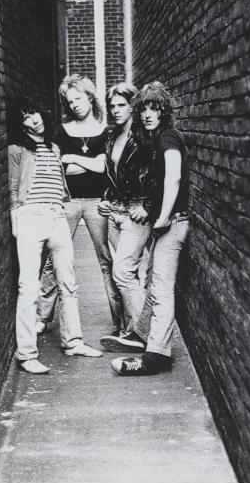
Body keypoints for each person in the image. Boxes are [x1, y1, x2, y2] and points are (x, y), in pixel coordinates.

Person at [7, 95, 102, 374]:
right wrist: (16, 217)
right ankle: (26, 354)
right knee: (29, 286)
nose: (33, 119)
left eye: (35, 112)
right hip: (30, 216)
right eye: (26, 116)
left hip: (57, 214)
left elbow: (62, 180)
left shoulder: (54, 147)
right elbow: (13, 187)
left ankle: (73, 342)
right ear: (20, 122)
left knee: (68, 283)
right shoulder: (17, 149)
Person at [111, 82, 190, 376]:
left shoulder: (168, 138)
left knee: (161, 288)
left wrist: (163, 216)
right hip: (168, 222)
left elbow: (173, 178)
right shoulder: (157, 139)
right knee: (152, 285)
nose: (147, 114)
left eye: (153, 108)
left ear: (164, 110)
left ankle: (156, 356)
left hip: (173, 222)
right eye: (143, 108)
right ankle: (143, 336)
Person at [36, 75, 123, 337]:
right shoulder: (61, 132)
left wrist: (74, 159)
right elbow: (64, 169)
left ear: (90, 97)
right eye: (69, 100)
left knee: (108, 260)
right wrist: (86, 162)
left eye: (79, 98)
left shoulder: (106, 131)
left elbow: (102, 168)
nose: (75, 104)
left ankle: (120, 321)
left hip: (98, 203)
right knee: (53, 258)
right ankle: (42, 316)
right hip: (68, 202)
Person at [97, 82, 154, 350]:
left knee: (123, 273)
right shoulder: (111, 136)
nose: (115, 110)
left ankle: (143, 334)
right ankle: (134, 332)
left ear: (133, 106)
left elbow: (158, 175)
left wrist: (149, 205)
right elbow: (112, 174)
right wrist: (106, 199)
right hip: (116, 211)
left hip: (136, 211)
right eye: (112, 106)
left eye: (121, 105)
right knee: (125, 274)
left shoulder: (144, 136)